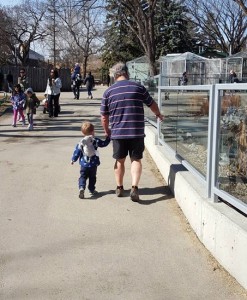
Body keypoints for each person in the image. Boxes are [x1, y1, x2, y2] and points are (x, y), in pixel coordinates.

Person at [100, 62, 164, 202]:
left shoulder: (108, 92)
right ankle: (134, 187)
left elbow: (104, 117)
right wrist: (158, 114)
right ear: (126, 73)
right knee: (136, 159)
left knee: (119, 161)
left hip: (118, 133)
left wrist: (107, 131)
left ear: (115, 75)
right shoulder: (138, 87)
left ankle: (120, 187)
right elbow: (151, 104)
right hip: (136, 132)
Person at [71, 121, 110, 199]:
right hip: (93, 164)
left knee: (83, 176)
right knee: (92, 177)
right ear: (93, 131)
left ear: (83, 133)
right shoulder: (95, 140)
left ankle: (81, 187)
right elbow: (104, 144)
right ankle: (91, 189)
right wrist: (108, 137)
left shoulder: (81, 142)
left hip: (84, 164)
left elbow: (77, 152)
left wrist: (73, 160)